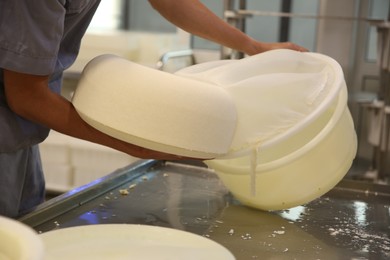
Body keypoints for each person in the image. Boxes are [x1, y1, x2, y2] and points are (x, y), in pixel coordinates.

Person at [0, 0, 307, 218]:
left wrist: (253, 46)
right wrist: (127, 143)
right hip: (7, 128)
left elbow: (170, 2)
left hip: (21, 136)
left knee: (29, 230)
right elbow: (27, 96)